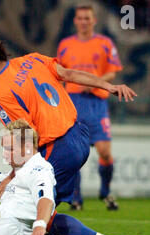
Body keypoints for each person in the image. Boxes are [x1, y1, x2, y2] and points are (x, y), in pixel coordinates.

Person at [0, 32, 136, 208]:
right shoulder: (32, 60)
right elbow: (68, 74)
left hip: (58, 149)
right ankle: (52, 232)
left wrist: (13, 175)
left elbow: (27, 136)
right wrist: (109, 86)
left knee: (26, 212)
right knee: (42, 215)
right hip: (80, 135)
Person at [57, 5, 123, 211]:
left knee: (104, 152)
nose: (84, 21)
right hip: (73, 102)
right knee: (75, 152)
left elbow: (112, 72)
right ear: (75, 21)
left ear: (94, 21)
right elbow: (59, 73)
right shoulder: (65, 45)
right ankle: (76, 198)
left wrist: (94, 82)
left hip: (96, 103)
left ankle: (105, 190)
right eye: (80, 18)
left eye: (87, 18)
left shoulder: (105, 43)